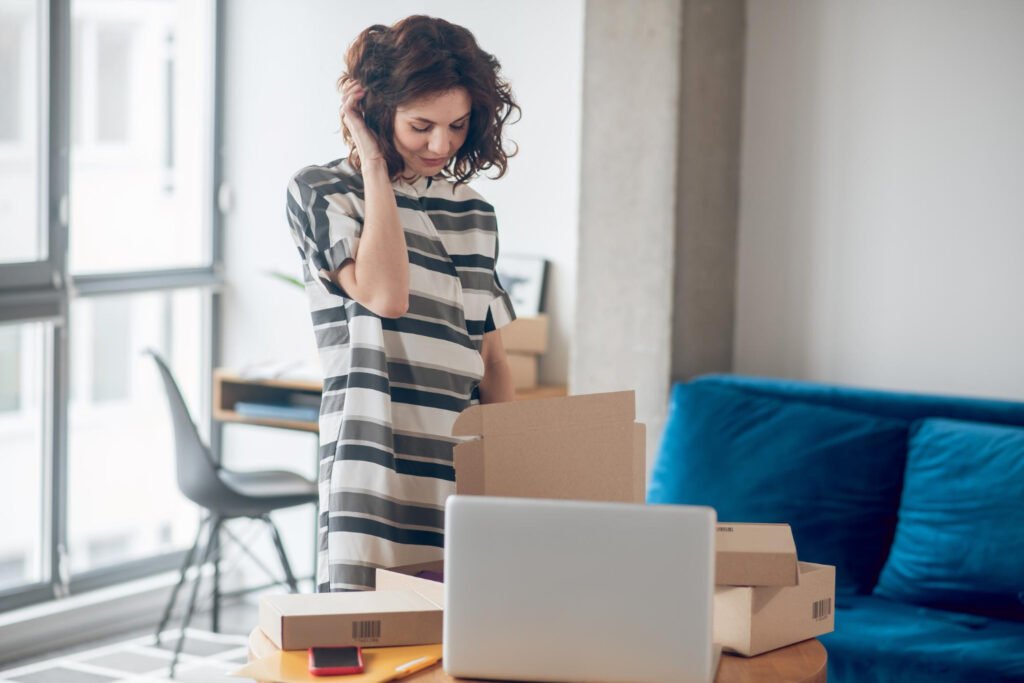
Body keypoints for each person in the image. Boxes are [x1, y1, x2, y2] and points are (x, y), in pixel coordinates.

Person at [285, 15, 519, 592]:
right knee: (366, 652)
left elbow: (490, 362)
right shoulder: (321, 192)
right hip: (373, 460)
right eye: (421, 126)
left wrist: (512, 469)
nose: (441, 145)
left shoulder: (476, 214)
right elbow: (386, 295)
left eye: (458, 126)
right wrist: (372, 163)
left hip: (461, 465)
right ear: (375, 111)